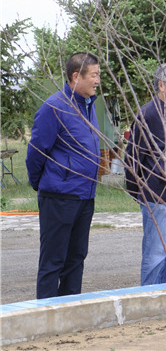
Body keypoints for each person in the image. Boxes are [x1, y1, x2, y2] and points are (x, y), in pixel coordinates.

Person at [26, 52, 101, 299]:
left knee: (76, 258)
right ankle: (47, 313)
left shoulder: (88, 105)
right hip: (59, 197)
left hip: (85, 196)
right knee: (53, 261)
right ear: (76, 76)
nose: (97, 80)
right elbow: (36, 152)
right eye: (94, 75)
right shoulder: (54, 107)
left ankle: (70, 310)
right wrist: (42, 185)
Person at [125, 63, 166, 285]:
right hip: (158, 196)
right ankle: (150, 298)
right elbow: (133, 158)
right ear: (161, 85)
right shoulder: (149, 114)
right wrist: (140, 193)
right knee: (156, 255)